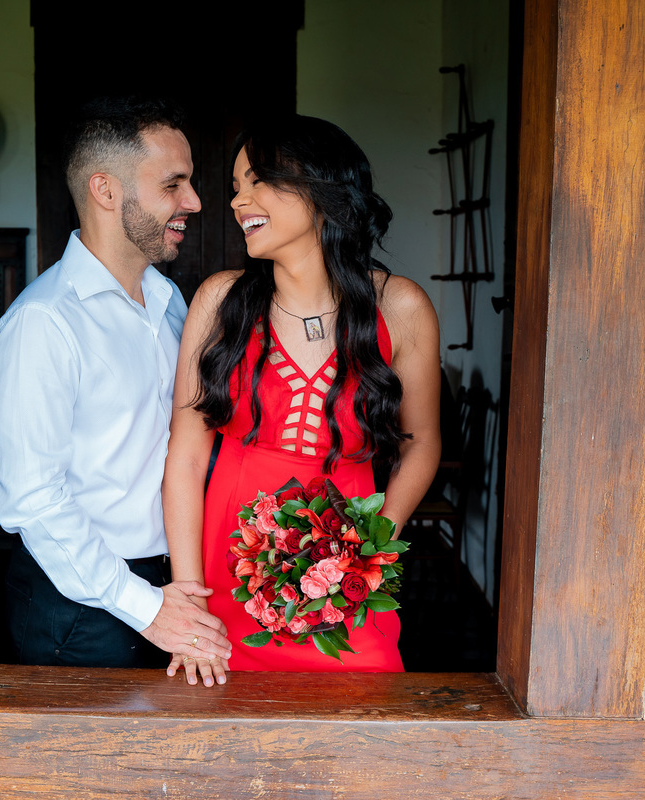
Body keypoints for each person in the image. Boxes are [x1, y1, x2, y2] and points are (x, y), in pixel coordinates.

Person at [162, 114, 442, 685]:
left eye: (258, 180)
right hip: (229, 568)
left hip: (350, 572)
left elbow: (421, 446)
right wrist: (191, 604)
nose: (239, 201)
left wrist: (364, 555)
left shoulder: (401, 308)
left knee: (362, 707)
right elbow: (187, 458)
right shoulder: (220, 301)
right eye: (237, 187)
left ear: (322, 191)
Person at [0, 97, 233, 669]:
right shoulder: (42, 325)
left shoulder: (171, 303)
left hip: (172, 582)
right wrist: (144, 607)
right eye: (174, 184)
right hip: (81, 606)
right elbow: (35, 500)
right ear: (106, 190)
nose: (193, 202)